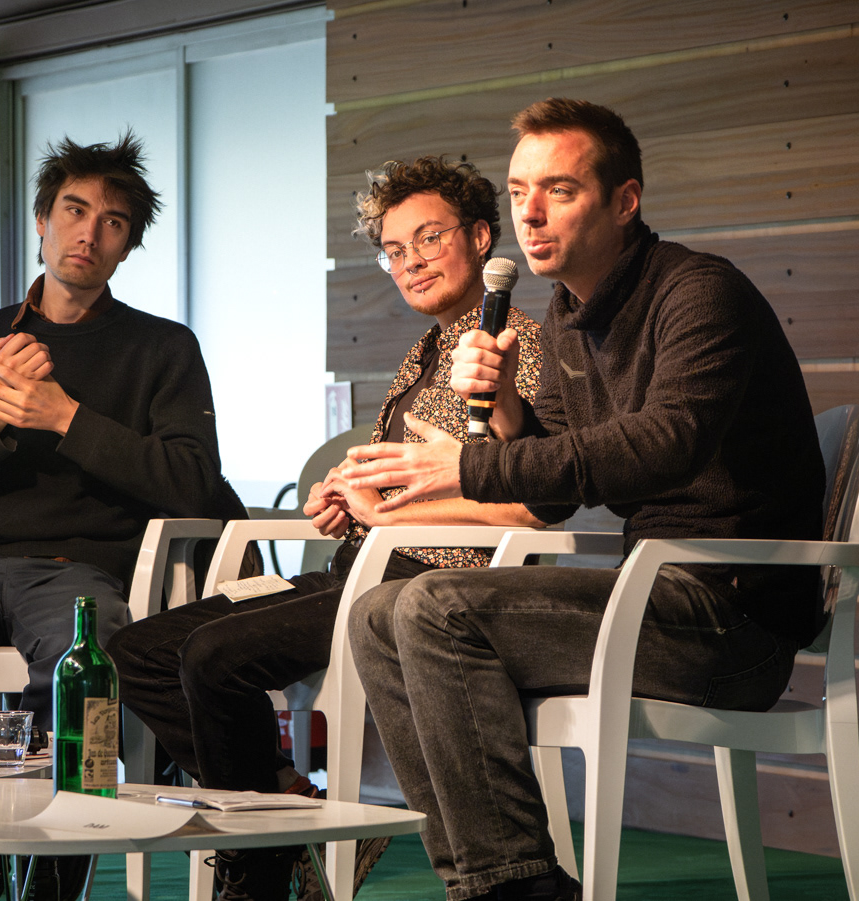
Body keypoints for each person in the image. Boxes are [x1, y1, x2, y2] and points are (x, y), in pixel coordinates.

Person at [343, 99, 827, 901]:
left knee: (434, 608)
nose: (529, 212)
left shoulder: (700, 293)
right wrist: (502, 409)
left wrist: (465, 470)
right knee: (375, 615)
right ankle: (489, 882)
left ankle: (517, 886)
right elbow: (556, 482)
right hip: (657, 596)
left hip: (734, 619)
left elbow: (665, 444)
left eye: (559, 191)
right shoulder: (567, 318)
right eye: (519, 188)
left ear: (624, 201)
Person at [106, 156, 544, 901]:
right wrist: (351, 497)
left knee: (212, 657)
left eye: (428, 238)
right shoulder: (425, 352)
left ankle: (262, 867)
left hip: (432, 586)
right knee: (137, 649)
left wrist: (392, 507)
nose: (410, 263)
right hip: (359, 567)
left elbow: (527, 498)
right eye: (394, 251)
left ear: (478, 237)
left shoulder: (515, 345)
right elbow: (411, 485)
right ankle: (289, 806)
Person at [0, 132, 247, 901]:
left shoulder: (162, 349)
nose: (90, 232)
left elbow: (193, 484)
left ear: (128, 246)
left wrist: (66, 418)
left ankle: (50, 886)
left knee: (79, 677)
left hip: (78, 569)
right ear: (41, 220)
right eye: (74, 209)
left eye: (115, 221)